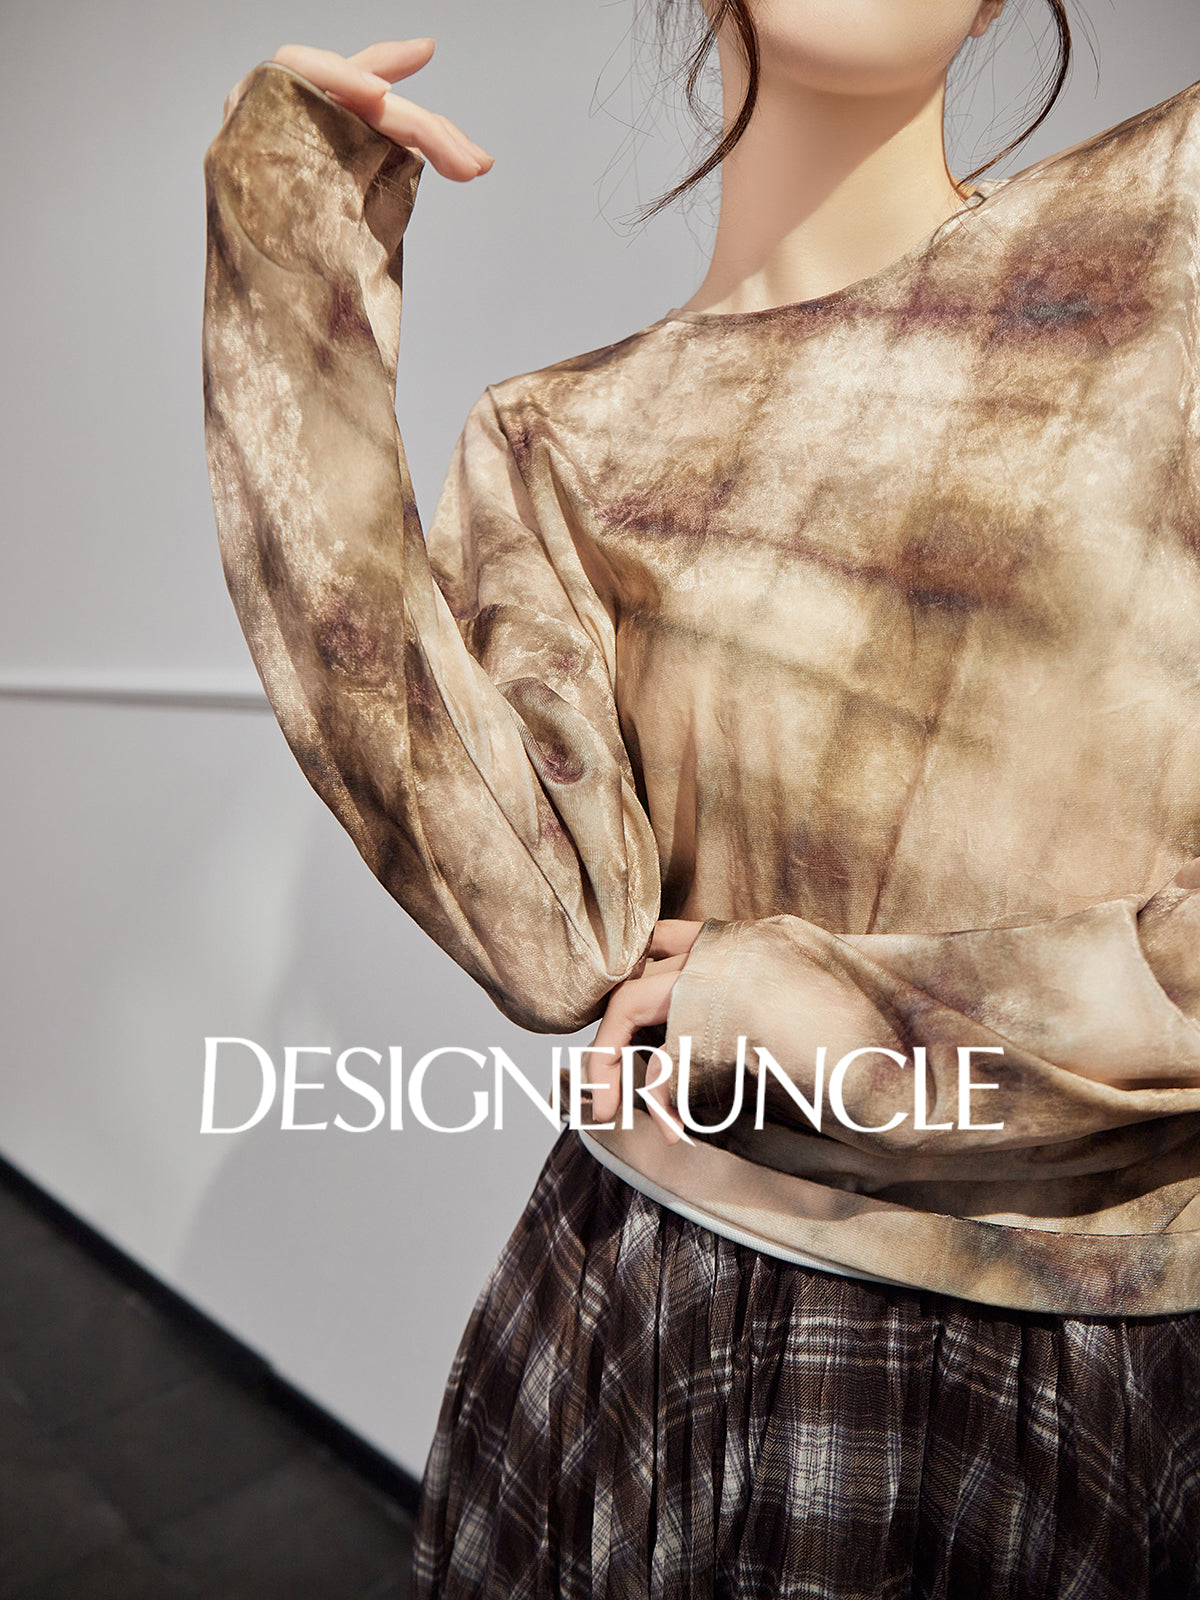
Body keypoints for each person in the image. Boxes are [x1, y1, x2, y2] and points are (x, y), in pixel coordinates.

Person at [202, 4, 1200, 1594]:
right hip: (642, 1298)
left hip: (1058, 1357)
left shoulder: (1169, 232)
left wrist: (823, 1007)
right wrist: (285, 264)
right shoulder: (559, 434)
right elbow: (550, 936)